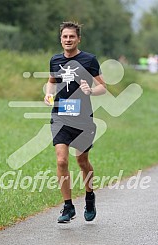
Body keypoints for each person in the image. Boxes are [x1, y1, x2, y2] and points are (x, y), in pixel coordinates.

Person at [44, 21, 106, 223]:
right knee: (61, 160)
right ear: (60, 39)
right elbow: (51, 82)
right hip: (60, 117)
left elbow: (103, 87)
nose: (68, 40)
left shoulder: (89, 60)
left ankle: (89, 197)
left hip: (83, 120)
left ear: (78, 38)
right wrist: (48, 94)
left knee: (82, 161)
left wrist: (90, 90)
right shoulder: (54, 60)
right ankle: (68, 206)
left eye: (72, 36)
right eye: (64, 37)